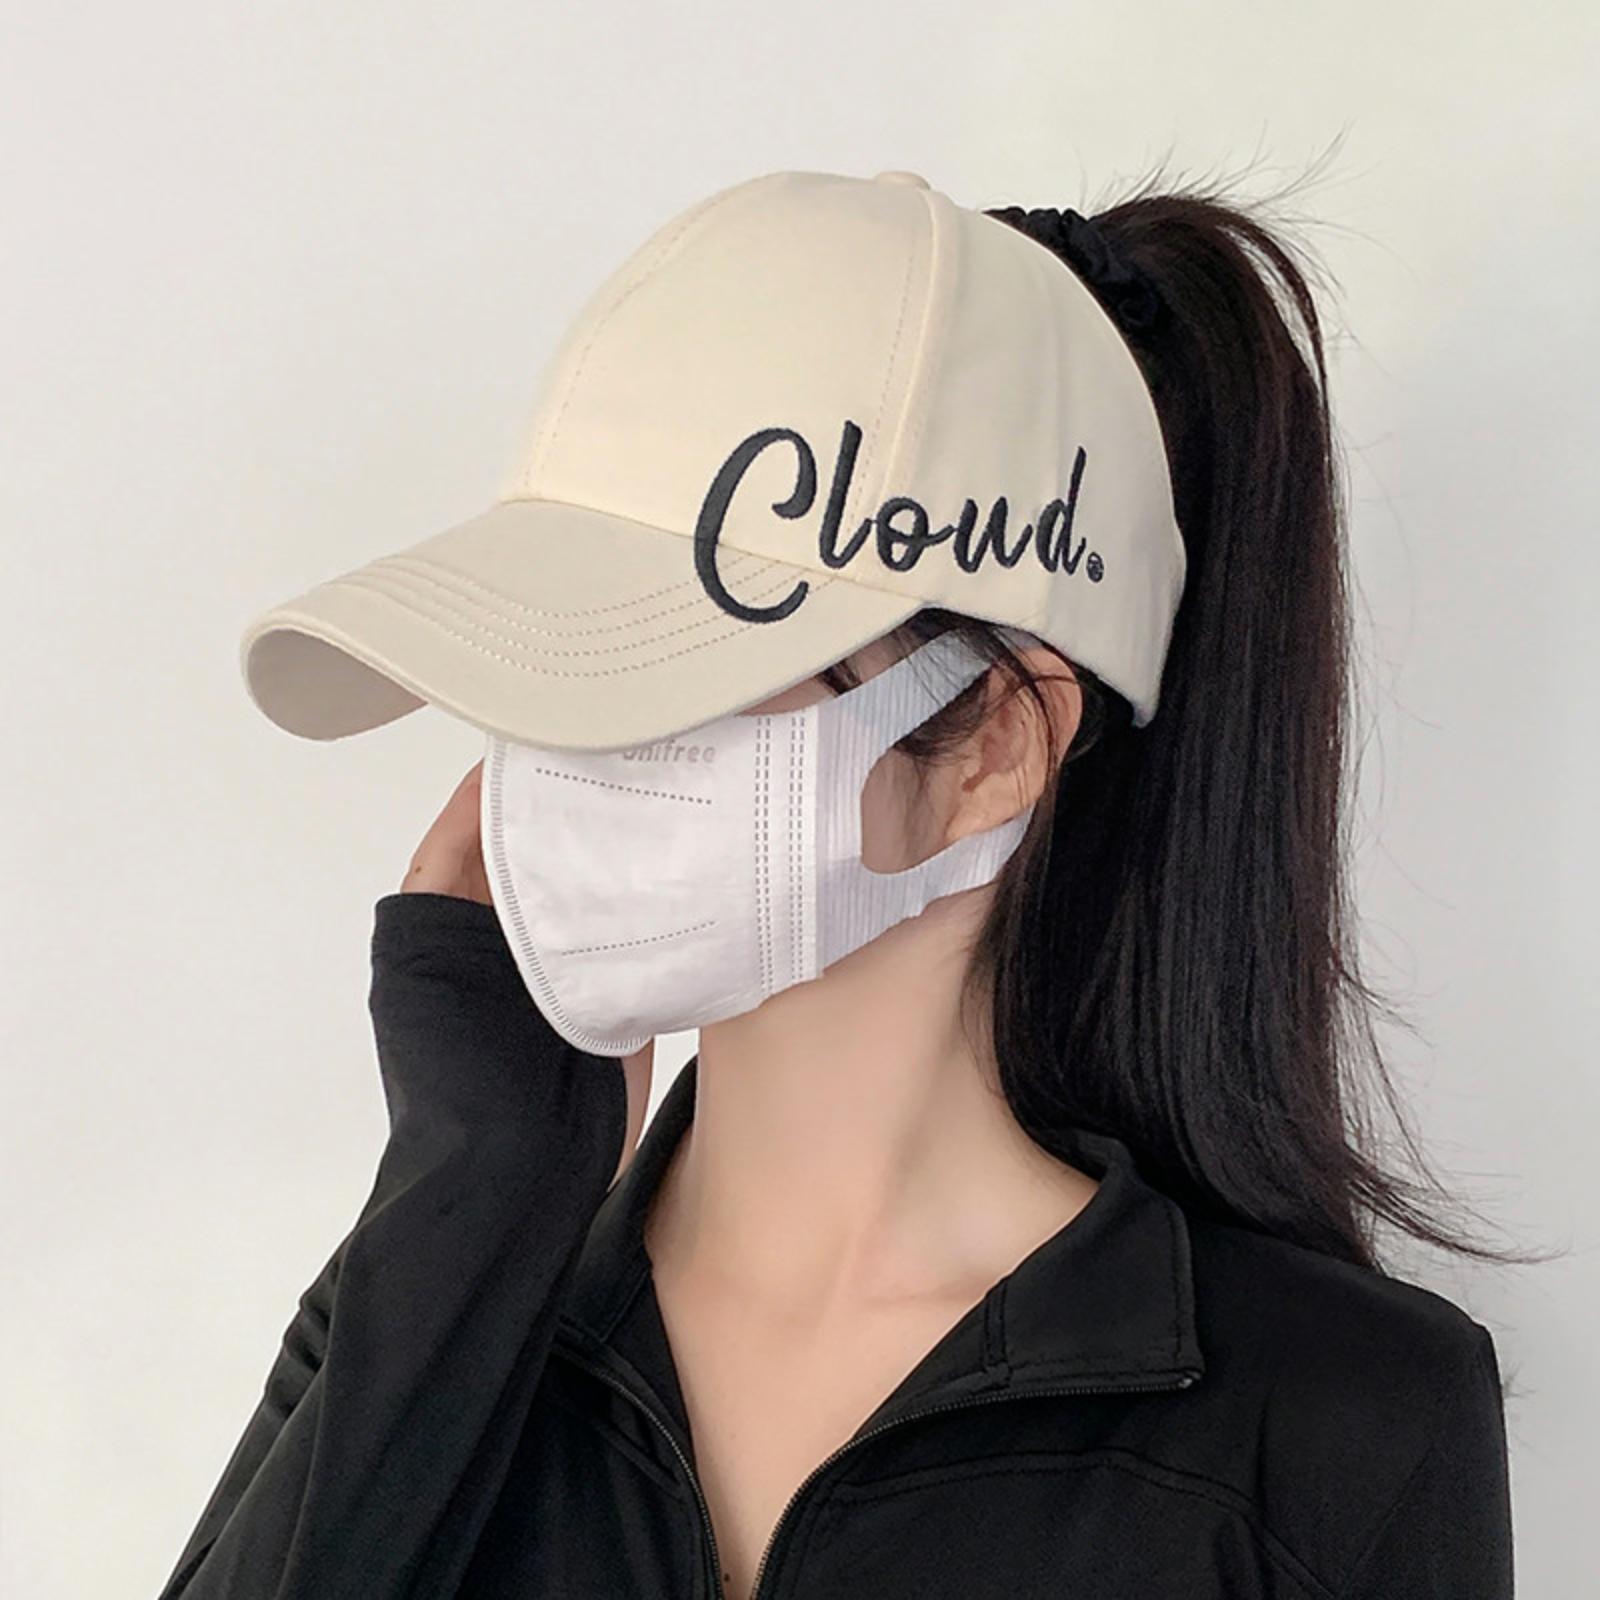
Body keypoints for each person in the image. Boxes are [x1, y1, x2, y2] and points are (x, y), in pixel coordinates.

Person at [158, 167, 1532, 1599]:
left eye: (675, 673)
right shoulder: (428, 1312)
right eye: (549, 655)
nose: (569, 753)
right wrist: (479, 1182)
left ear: (994, 743)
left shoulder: (1345, 1427)